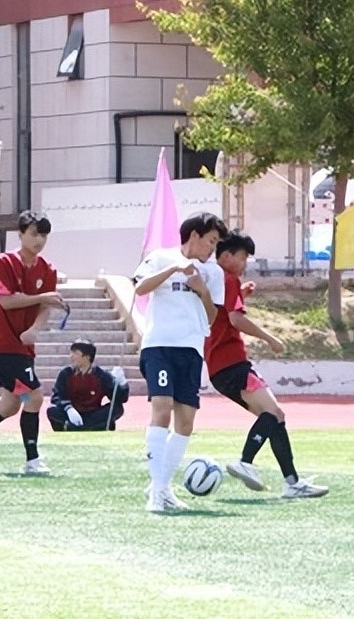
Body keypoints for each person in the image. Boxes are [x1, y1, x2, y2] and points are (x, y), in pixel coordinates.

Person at [205, 230, 328, 499]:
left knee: (275, 418)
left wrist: (243, 294)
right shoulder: (228, 279)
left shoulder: (217, 279)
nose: (245, 264)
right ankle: (245, 462)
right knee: (273, 414)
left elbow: (222, 316)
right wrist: (270, 338)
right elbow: (236, 321)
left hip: (218, 367)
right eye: (242, 258)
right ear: (227, 256)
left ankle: (292, 482)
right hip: (233, 362)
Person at [134, 212, 227, 513]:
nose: (212, 248)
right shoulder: (161, 257)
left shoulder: (213, 274)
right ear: (195, 235)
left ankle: (162, 486)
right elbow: (139, 288)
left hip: (190, 349)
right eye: (211, 240)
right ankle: (157, 492)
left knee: (185, 422)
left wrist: (201, 290)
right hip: (159, 345)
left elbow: (213, 317)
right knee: (161, 409)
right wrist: (175, 268)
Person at [0, 211, 65, 474]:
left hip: (24, 349)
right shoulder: (4, 262)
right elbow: (6, 300)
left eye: (44, 235)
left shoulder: (47, 269)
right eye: (34, 234)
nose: (40, 240)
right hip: (5, 348)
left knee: (10, 405)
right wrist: (43, 297)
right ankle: (33, 460)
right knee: (35, 397)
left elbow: (45, 307)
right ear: (21, 234)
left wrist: (35, 329)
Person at [46, 339, 129, 431]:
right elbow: (57, 396)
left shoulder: (101, 375)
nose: (71, 356)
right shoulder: (66, 373)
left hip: (93, 413)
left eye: (76, 353)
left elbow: (119, 398)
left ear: (87, 356)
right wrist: (68, 408)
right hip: (72, 412)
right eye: (71, 353)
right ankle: (92, 427)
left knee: (117, 408)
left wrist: (121, 383)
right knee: (52, 410)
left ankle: (77, 428)